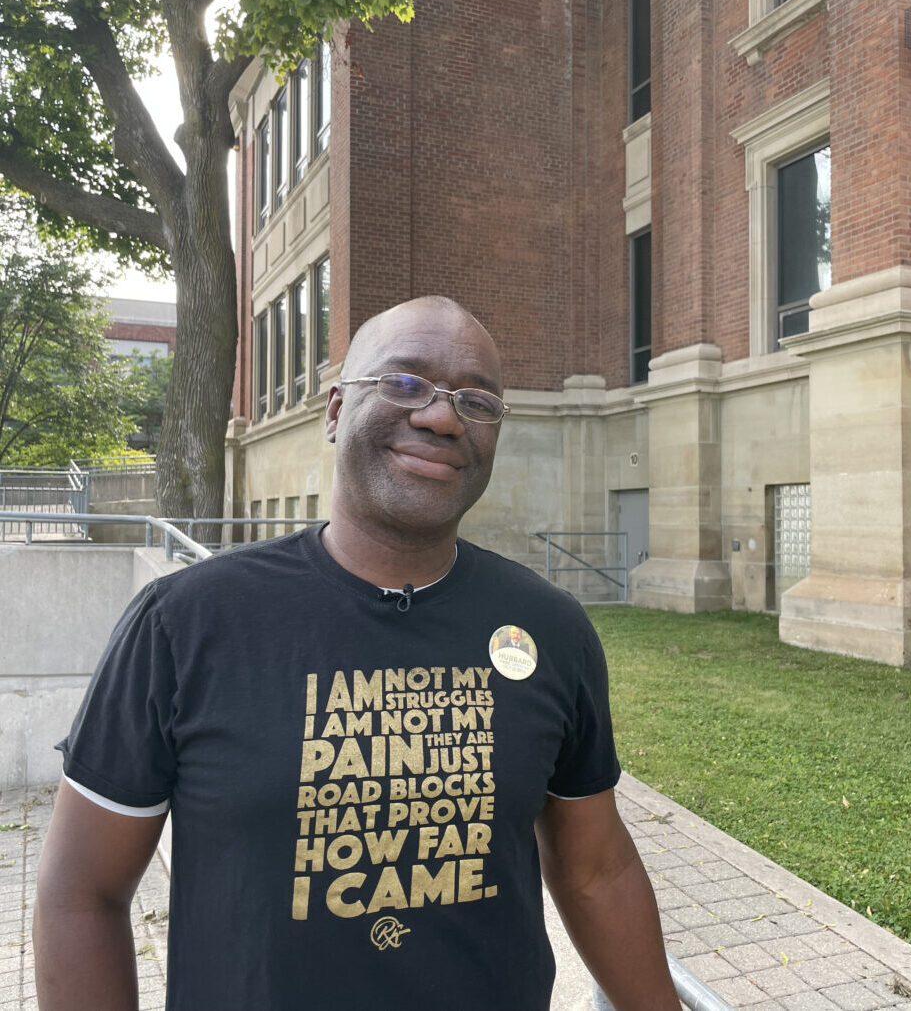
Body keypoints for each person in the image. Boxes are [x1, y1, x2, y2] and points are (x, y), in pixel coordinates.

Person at [34, 296, 680, 1011]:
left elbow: (597, 871)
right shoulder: (186, 623)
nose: (441, 417)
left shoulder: (549, 627)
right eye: (404, 384)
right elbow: (81, 895)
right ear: (336, 411)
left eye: (477, 401)